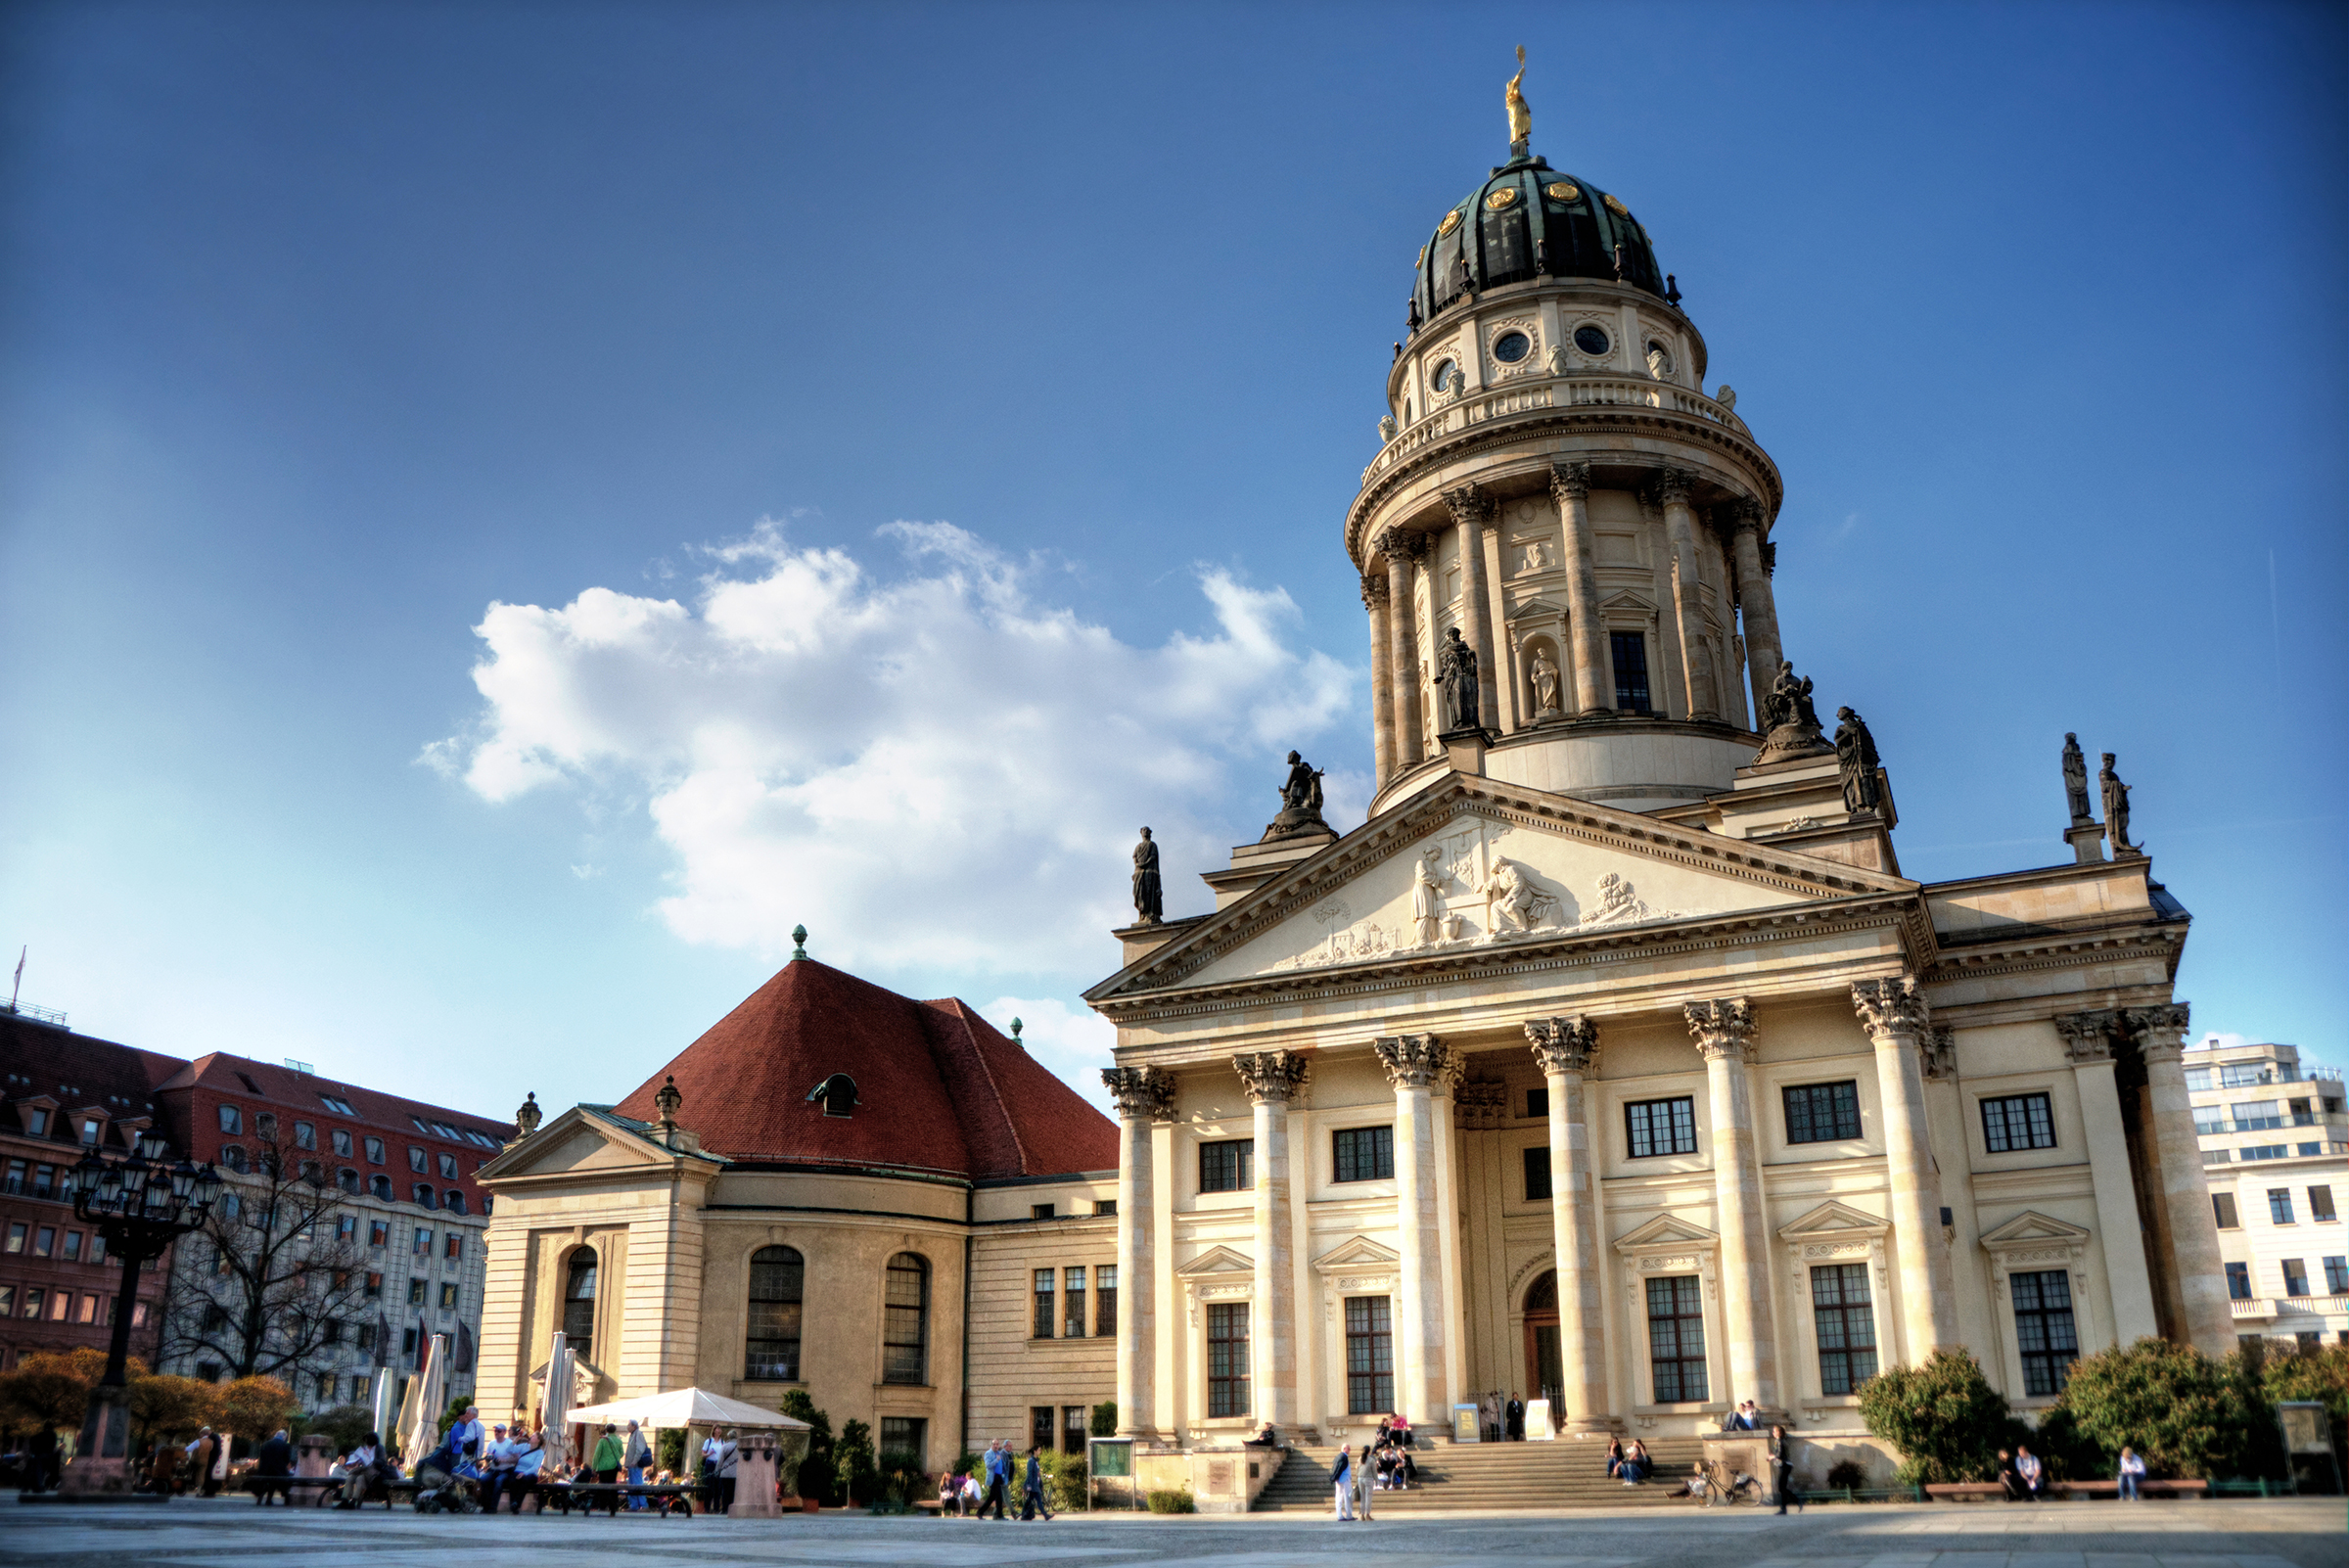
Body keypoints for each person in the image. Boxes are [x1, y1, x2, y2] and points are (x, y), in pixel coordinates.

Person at [253, 1429, 293, 1505]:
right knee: (285, 1481)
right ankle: (286, 1498)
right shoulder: (285, 1445)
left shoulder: (266, 1444)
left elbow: (262, 1457)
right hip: (279, 1472)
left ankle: (267, 1499)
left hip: (265, 1471)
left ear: (275, 1435)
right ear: (284, 1436)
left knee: (272, 1482)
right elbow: (287, 1459)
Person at [1769, 1424, 1802, 1515]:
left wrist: (1772, 1457)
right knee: (1782, 1488)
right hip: (1785, 1466)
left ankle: (1795, 1500)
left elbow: (1780, 1455)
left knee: (1781, 1487)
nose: (1773, 1433)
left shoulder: (1779, 1441)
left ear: (1778, 1432)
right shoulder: (1780, 1441)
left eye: (1774, 1431)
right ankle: (1784, 1508)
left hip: (1785, 1465)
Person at [1021, 1445, 1053, 1520]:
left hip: (1036, 1485)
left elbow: (1038, 1474)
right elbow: (1029, 1474)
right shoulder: (1031, 1461)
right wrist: (1028, 1485)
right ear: (1035, 1451)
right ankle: (1045, 1516)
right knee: (1038, 1500)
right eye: (1039, 1450)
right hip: (1033, 1485)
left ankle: (1024, 1514)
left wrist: (1040, 1484)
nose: (1040, 1452)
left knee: (1029, 1500)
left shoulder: (1035, 1461)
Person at [623, 1420, 651, 1510]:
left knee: (637, 1485)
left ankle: (644, 1505)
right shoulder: (633, 1435)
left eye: (629, 1425)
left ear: (634, 1426)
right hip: (632, 1465)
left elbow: (640, 1449)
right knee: (632, 1485)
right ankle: (634, 1505)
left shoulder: (638, 1434)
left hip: (635, 1465)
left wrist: (634, 1461)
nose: (627, 1427)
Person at [1352, 1443, 1374, 1521]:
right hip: (1368, 1479)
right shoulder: (1371, 1460)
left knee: (1362, 1497)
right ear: (1369, 1451)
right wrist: (1376, 1480)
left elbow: (1357, 1469)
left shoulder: (1359, 1459)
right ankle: (1367, 1514)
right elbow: (1374, 1471)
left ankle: (1362, 1514)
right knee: (1368, 1497)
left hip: (1360, 1479)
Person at [1330, 1445, 1353, 1521]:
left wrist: (1335, 1478)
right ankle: (1349, 1515)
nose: (1350, 1450)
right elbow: (1340, 1468)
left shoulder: (1338, 1457)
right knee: (1347, 1498)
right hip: (1345, 1480)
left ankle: (1339, 1515)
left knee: (1339, 1498)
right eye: (1349, 1448)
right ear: (1344, 1449)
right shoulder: (1344, 1457)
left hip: (1339, 1480)